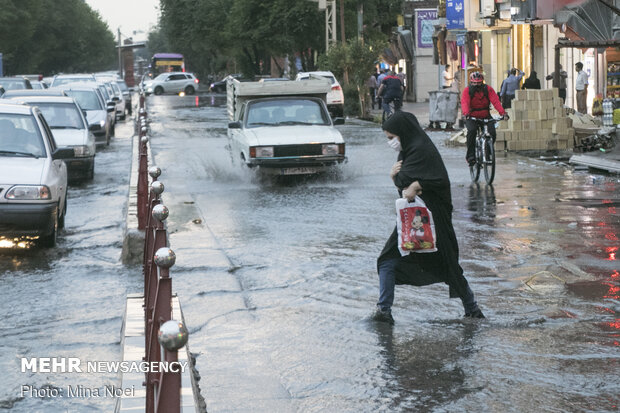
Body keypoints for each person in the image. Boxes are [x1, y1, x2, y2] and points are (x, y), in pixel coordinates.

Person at [372, 111, 485, 324]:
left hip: (435, 222)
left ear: (402, 133)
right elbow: (404, 190)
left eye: (391, 137)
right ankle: (383, 310)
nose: (391, 143)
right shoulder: (407, 153)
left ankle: (472, 309)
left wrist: (417, 184)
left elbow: (439, 180)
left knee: (448, 265)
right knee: (387, 260)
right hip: (412, 222)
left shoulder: (423, 150)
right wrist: (395, 177)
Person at [461, 71, 507, 166]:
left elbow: (496, 101)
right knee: (472, 132)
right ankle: (470, 156)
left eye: (479, 83)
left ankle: (488, 152)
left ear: (482, 82)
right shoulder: (467, 90)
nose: (477, 85)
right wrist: (466, 114)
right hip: (471, 116)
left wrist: (503, 113)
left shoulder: (488, 89)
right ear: (471, 82)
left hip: (485, 115)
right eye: (474, 83)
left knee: (492, 133)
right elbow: (465, 102)